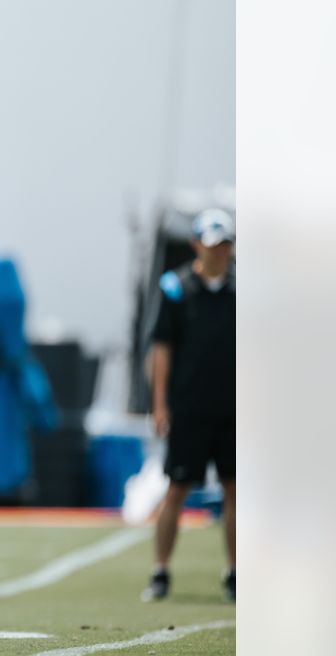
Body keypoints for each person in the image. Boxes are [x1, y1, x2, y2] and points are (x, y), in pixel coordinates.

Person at [142, 208, 236, 603]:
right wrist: (160, 404)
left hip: (235, 409)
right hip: (190, 407)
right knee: (177, 488)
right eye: (211, 245)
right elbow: (161, 349)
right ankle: (161, 569)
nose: (218, 252)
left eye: (225, 245)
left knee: (236, 490)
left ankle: (235, 572)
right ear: (197, 244)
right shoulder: (176, 289)